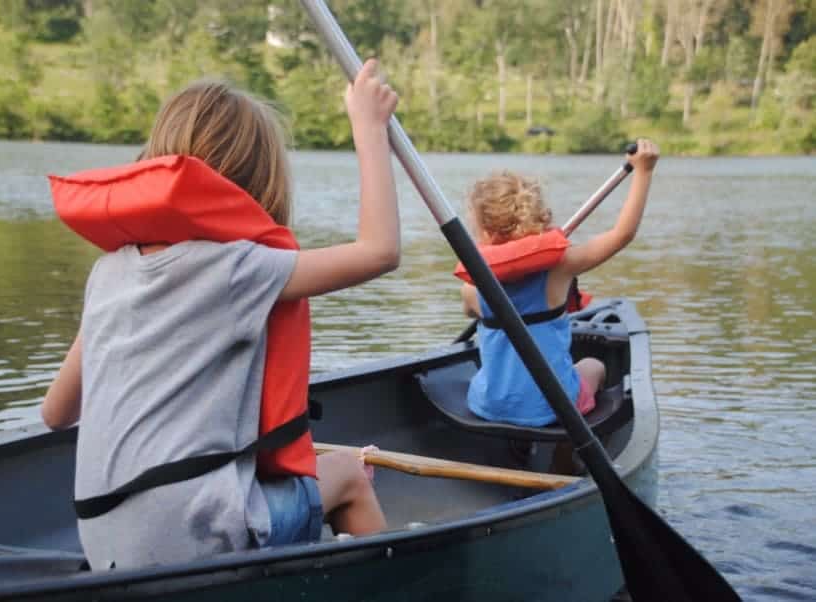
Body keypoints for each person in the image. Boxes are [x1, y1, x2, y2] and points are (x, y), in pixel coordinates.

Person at [40, 58, 398, 570]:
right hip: (189, 541)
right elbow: (379, 251)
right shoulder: (235, 266)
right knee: (347, 475)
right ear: (256, 186)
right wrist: (369, 128)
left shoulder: (109, 271)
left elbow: (56, 413)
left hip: (103, 542)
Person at [459, 139, 659, 427]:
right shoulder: (560, 268)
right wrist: (643, 172)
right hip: (553, 408)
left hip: (487, 405)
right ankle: (565, 455)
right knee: (593, 366)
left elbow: (469, 312)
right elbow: (622, 235)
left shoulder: (471, 288)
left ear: (484, 231)